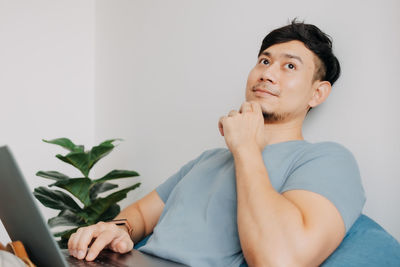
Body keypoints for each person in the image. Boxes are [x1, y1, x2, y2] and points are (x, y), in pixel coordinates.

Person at [68, 20, 365, 266]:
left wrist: (246, 147)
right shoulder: (208, 160)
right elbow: (142, 216)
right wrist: (115, 229)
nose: (267, 73)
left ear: (317, 94)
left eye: (289, 67)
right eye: (264, 60)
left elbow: (279, 259)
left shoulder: (328, 160)